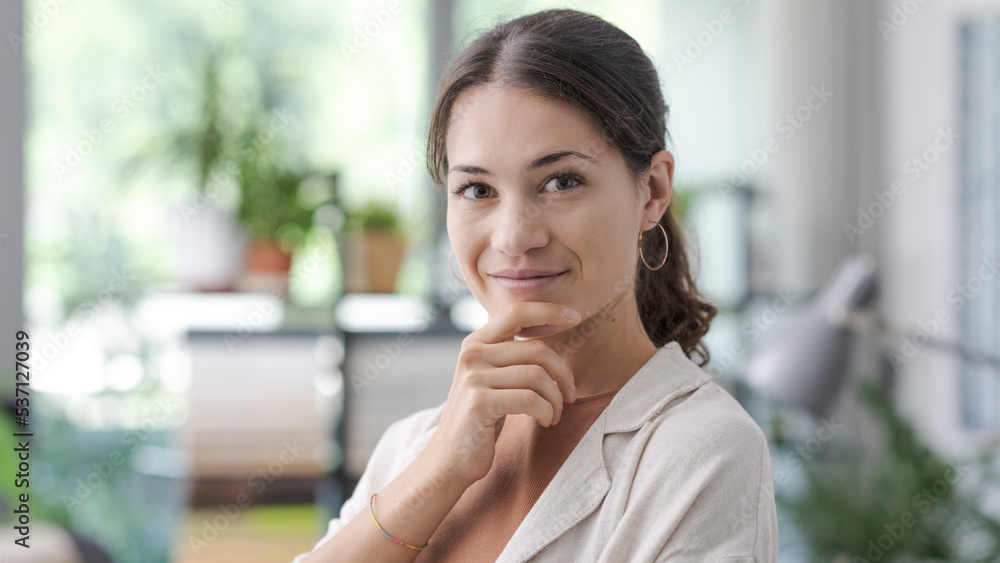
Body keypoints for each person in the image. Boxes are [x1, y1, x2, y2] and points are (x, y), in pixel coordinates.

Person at [293, 8, 777, 562]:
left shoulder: (703, 451)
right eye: (477, 190)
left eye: (561, 181)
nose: (515, 237)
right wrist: (440, 472)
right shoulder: (412, 446)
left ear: (653, 192)